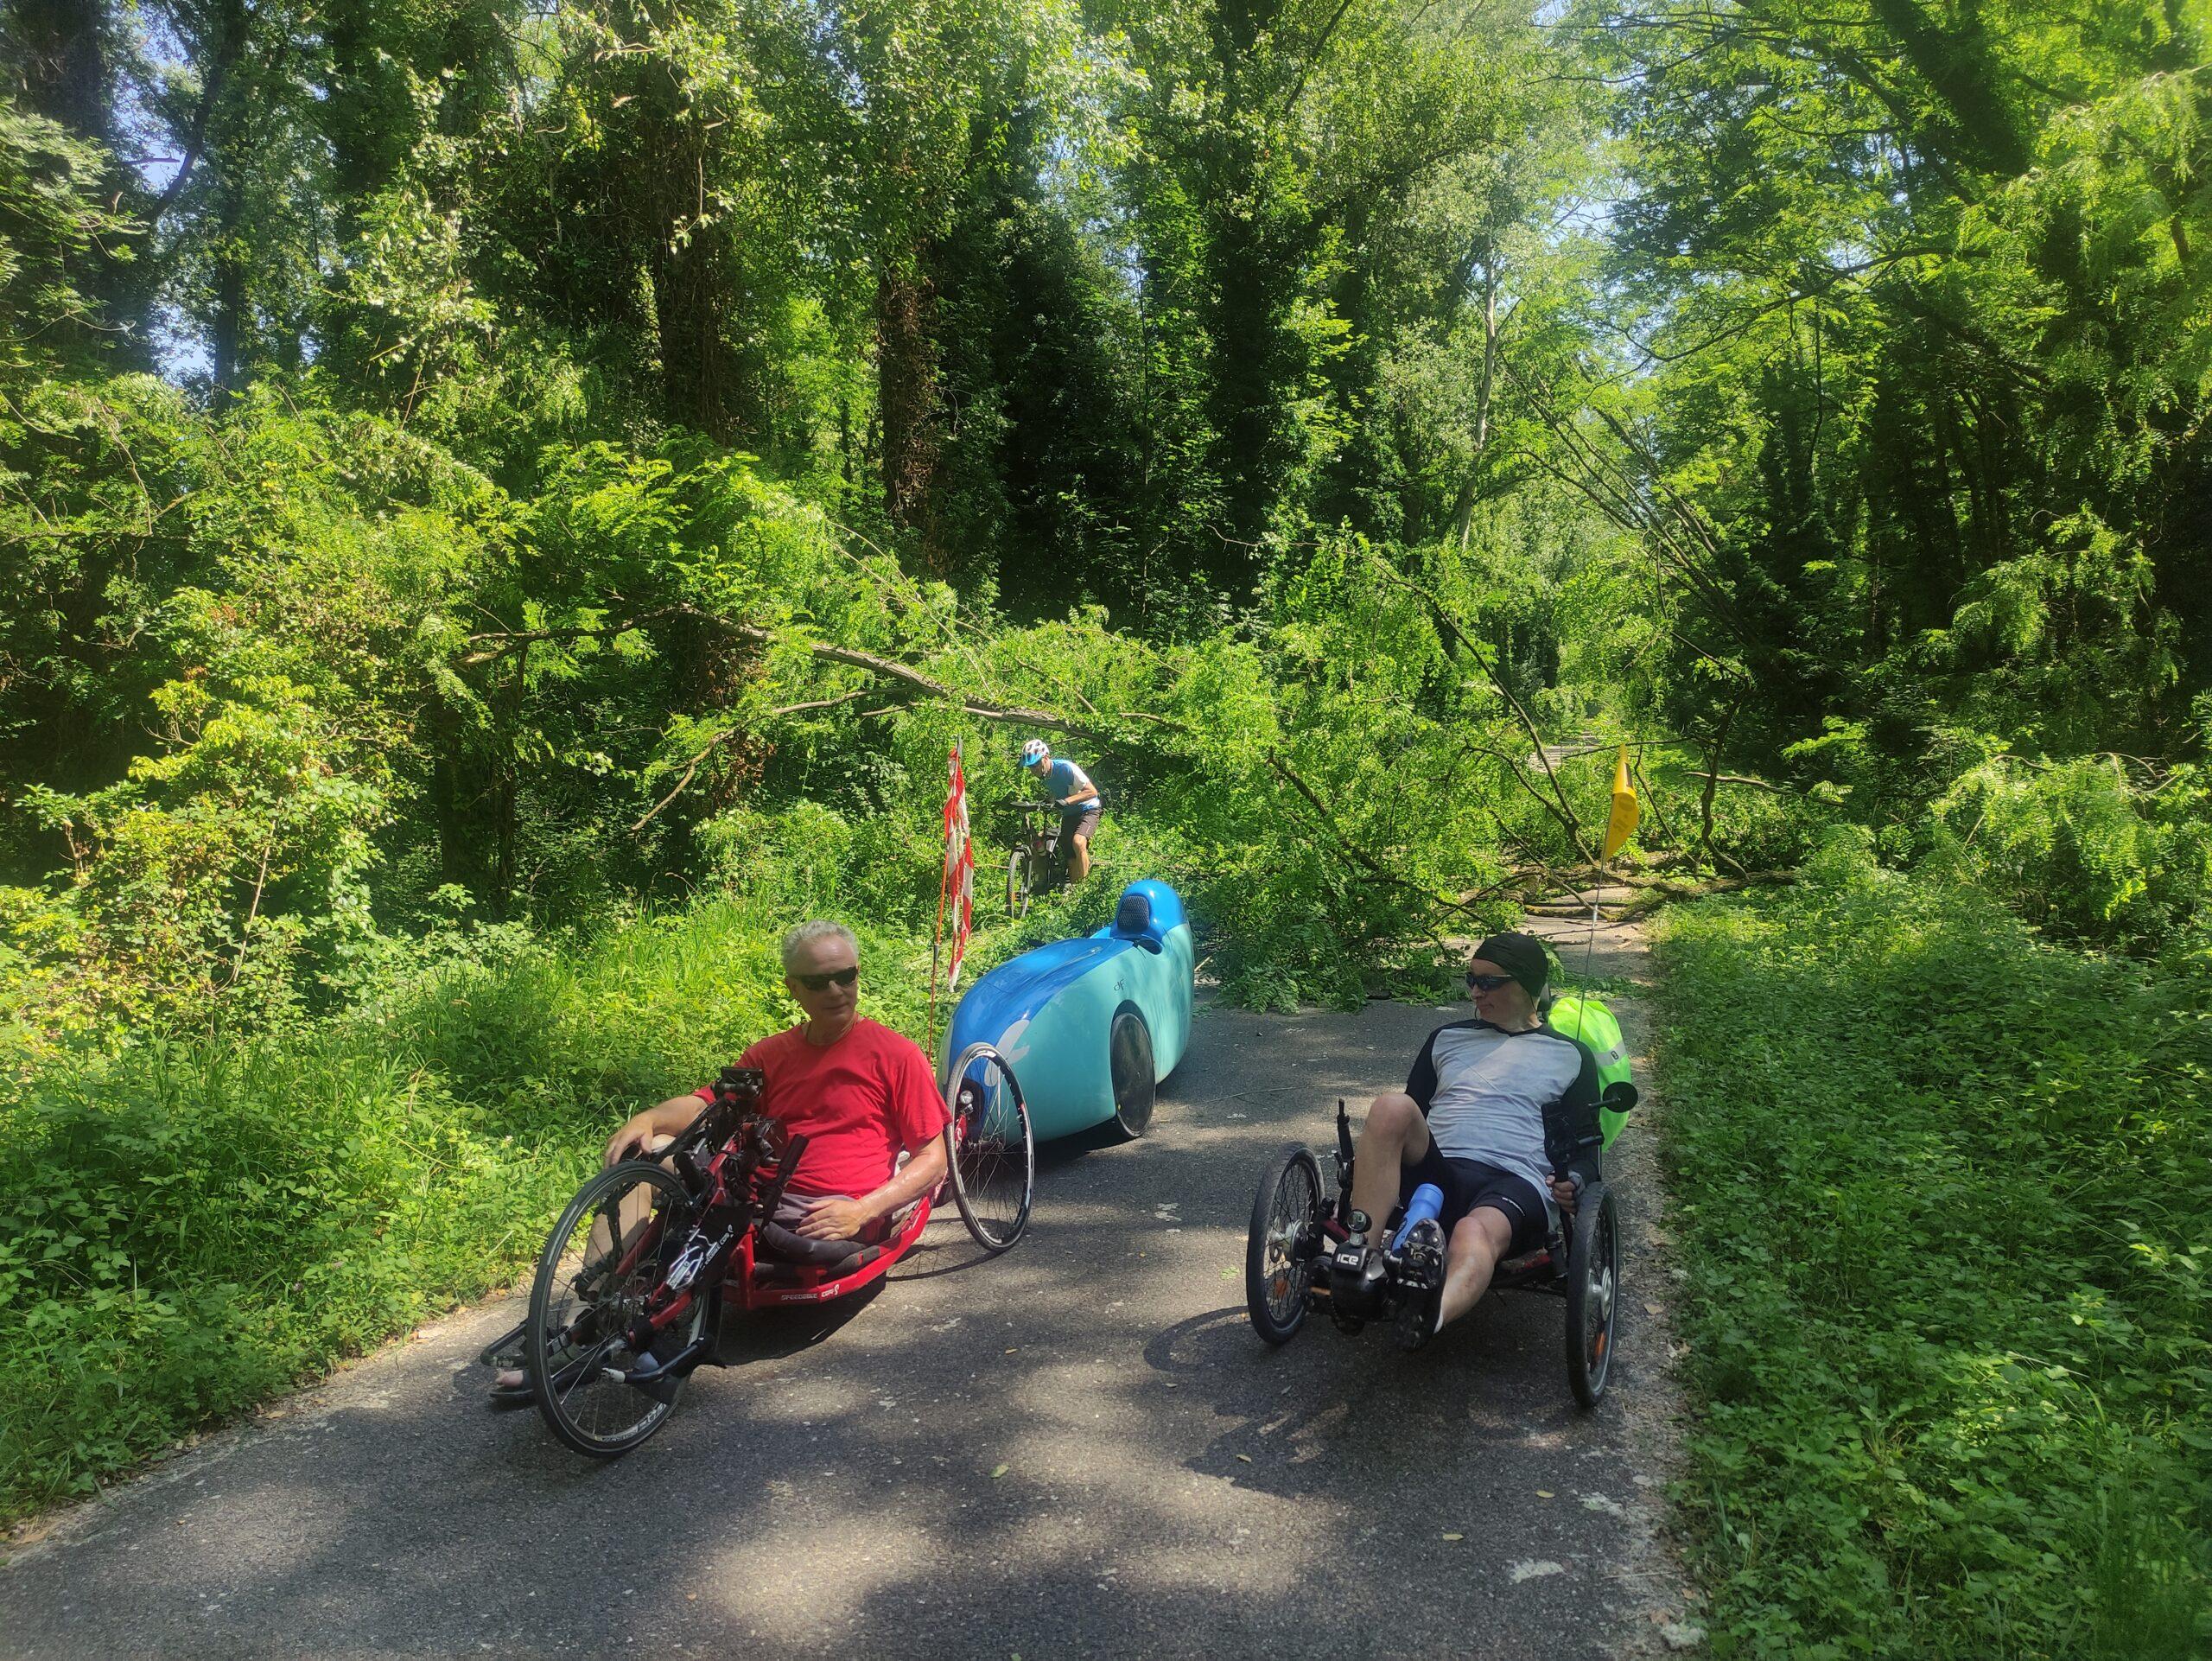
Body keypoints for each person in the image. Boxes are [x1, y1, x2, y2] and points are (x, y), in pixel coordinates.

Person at [489, 920, 947, 1396]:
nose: (835, 991)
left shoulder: (896, 1055)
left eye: (845, 976)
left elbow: (932, 1159)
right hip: (755, 1194)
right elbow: (707, 1103)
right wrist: (649, 1118)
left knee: (709, 1207)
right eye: (817, 982)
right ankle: (587, 1317)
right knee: (639, 1164)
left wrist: (865, 1210)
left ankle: (606, 1331)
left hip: (826, 1211)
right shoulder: (771, 1054)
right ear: (793, 989)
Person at [1332, 931, 1602, 1350]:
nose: (1476, 991)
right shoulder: (1446, 1038)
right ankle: (1360, 1261)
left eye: (1489, 982)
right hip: (1439, 1172)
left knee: (1474, 1232)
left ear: (1528, 984)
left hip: (1516, 1181)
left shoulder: (1571, 1056)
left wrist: (1576, 1182)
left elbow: (1587, 1150)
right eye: (1471, 979)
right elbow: (1412, 1114)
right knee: (1391, 1107)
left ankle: (1427, 1316)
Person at [1020, 737, 1104, 884]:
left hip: (1089, 808)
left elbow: (1092, 792)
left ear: (1046, 758)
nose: (1033, 770)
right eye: (1030, 767)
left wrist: (1066, 801)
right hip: (1069, 813)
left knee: (1078, 843)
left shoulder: (1066, 768)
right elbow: (1060, 792)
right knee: (1070, 855)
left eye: (1035, 764)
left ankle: (1084, 889)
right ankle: (1074, 890)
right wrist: (1048, 802)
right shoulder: (1045, 776)